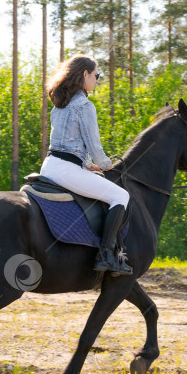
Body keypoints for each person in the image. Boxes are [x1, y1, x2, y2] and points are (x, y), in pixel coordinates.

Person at [39, 54, 132, 276]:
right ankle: (106, 254)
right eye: (96, 75)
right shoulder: (84, 105)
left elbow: (68, 144)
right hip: (66, 170)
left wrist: (89, 165)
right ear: (85, 74)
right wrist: (105, 164)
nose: (97, 80)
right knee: (121, 197)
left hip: (50, 165)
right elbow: (93, 145)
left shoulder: (59, 104)